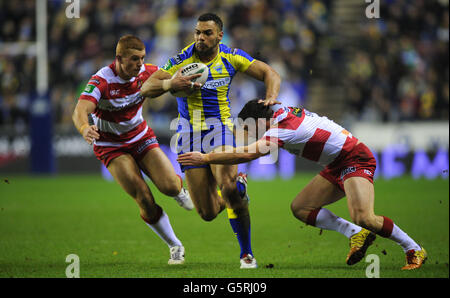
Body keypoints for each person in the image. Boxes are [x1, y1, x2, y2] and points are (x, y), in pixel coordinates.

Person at [177, 99, 427, 270]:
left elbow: (247, 154)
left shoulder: (280, 131)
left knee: (364, 216)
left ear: (260, 122)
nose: (250, 132)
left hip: (355, 158)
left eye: (249, 128)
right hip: (336, 163)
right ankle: (355, 234)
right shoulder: (281, 112)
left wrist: (206, 157)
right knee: (300, 208)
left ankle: (413, 249)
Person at [140, 13, 281, 268]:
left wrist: (270, 97)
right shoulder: (182, 59)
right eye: (197, 32)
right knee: (206, 213)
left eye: (206, 33)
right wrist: (172, 82)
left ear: (219, 36)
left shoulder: (231, 56)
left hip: (220, 130)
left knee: (226, 186)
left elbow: (270, 73)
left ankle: (246, 254)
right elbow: (146, 88)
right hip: (188, 135)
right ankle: (239, 188)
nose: (200, 38)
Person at [72, 35, 196, 265]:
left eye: (142, 58)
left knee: (169, 186)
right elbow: (80, 109)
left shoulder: (147, 72)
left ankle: (179, 191)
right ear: (119, 58)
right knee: (144, 198)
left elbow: (173, 81)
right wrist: (83, 127)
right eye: (134, 59)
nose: (139, 64)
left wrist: (185, 83)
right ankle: (175, 245)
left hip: (140, 136)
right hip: (111, 145)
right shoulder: (102, 81)